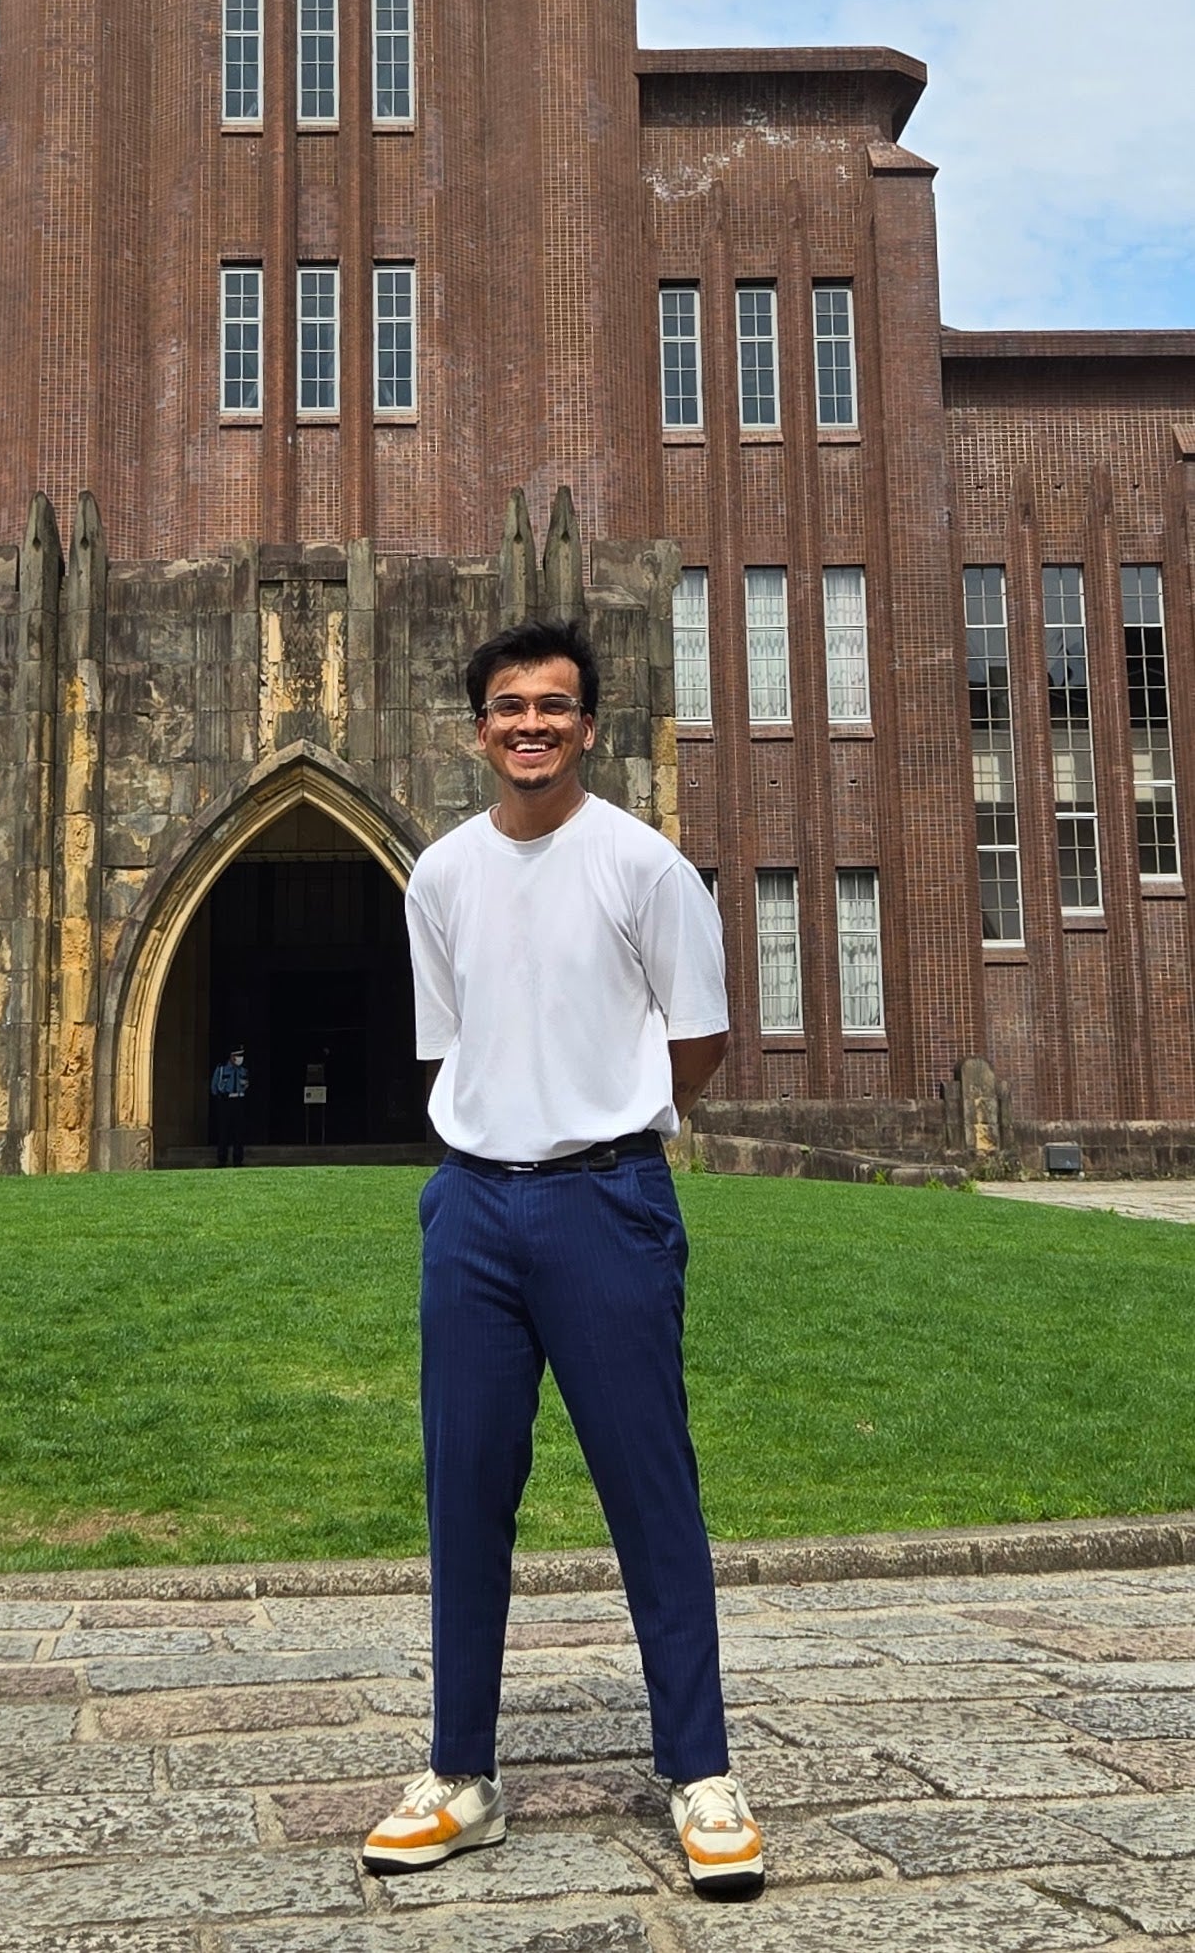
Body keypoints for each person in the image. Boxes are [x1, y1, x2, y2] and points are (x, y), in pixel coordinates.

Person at [361, 616, 762, 1902]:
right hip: (472, 1211)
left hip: (606, 1201)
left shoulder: (643, 866)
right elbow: (447, 1045)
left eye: (553, 705)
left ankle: (697, 1772)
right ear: (476, 727)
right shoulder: (438, 877)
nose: (528, 723)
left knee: (650, 1488)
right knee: (462, 1491)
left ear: (589, 724)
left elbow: (693, 1043)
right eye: (505, 706)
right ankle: (460, 1777)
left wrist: (603, 1112)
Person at [209, 1044, 249, 1167]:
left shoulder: (243, 1070)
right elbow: (214, 1087)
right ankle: (222, 1159)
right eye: (238, 1055)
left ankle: (238, 1159)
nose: (240, 1058)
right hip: (226, 1101)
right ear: (232, 1056)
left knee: (238, 1132)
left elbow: (246, 1085)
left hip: (239, 1100)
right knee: (223, 1131)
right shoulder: (222, 1069)